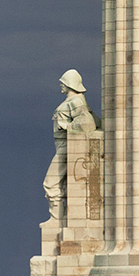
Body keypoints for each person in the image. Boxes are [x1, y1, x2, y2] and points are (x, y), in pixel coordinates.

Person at [43, 69, 97, 222]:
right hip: (62, 148)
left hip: (67, 149)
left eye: (63, 82)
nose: (61, 85)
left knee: (50, 183)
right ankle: (60, 218)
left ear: (70, 84)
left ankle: (57, 219)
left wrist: (66, 126)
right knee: (59, 183)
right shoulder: (73, 101)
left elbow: (88, 123)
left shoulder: (76, 101)